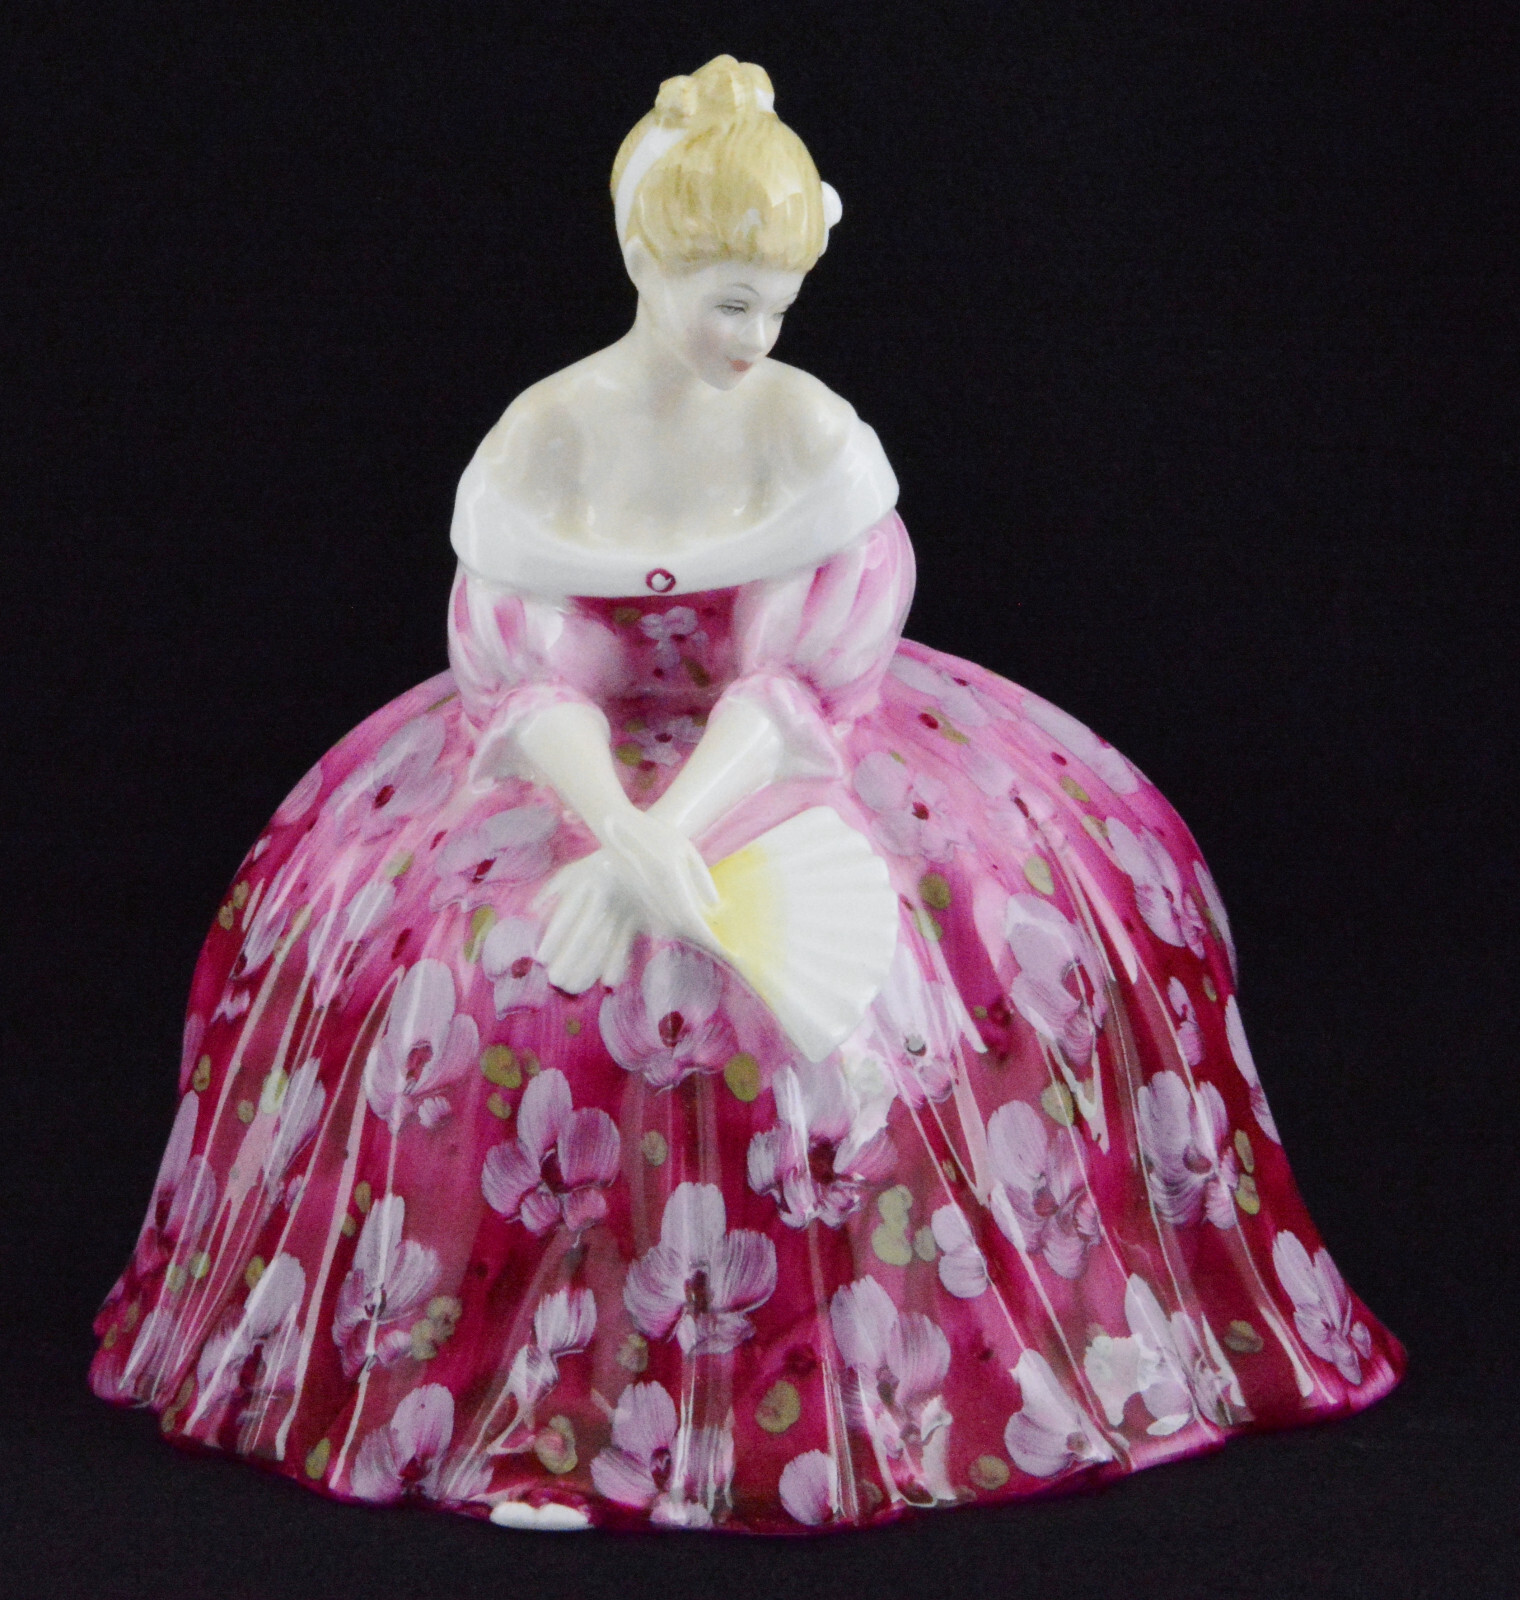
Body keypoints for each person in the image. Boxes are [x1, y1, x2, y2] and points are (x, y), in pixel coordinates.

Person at [91, 55, 1403, 1534]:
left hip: (776, 754)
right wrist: (618, 833)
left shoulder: (808, 433)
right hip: (572, 765)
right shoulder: (546, 436)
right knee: (461, 981)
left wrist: (671, 838)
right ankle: (545, 1401)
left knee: (975, 943)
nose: (757, 338)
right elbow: (523, 673)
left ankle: (860, 1384)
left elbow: (799, 686)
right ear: (645, 258)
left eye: (777, 305)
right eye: (730, 303)